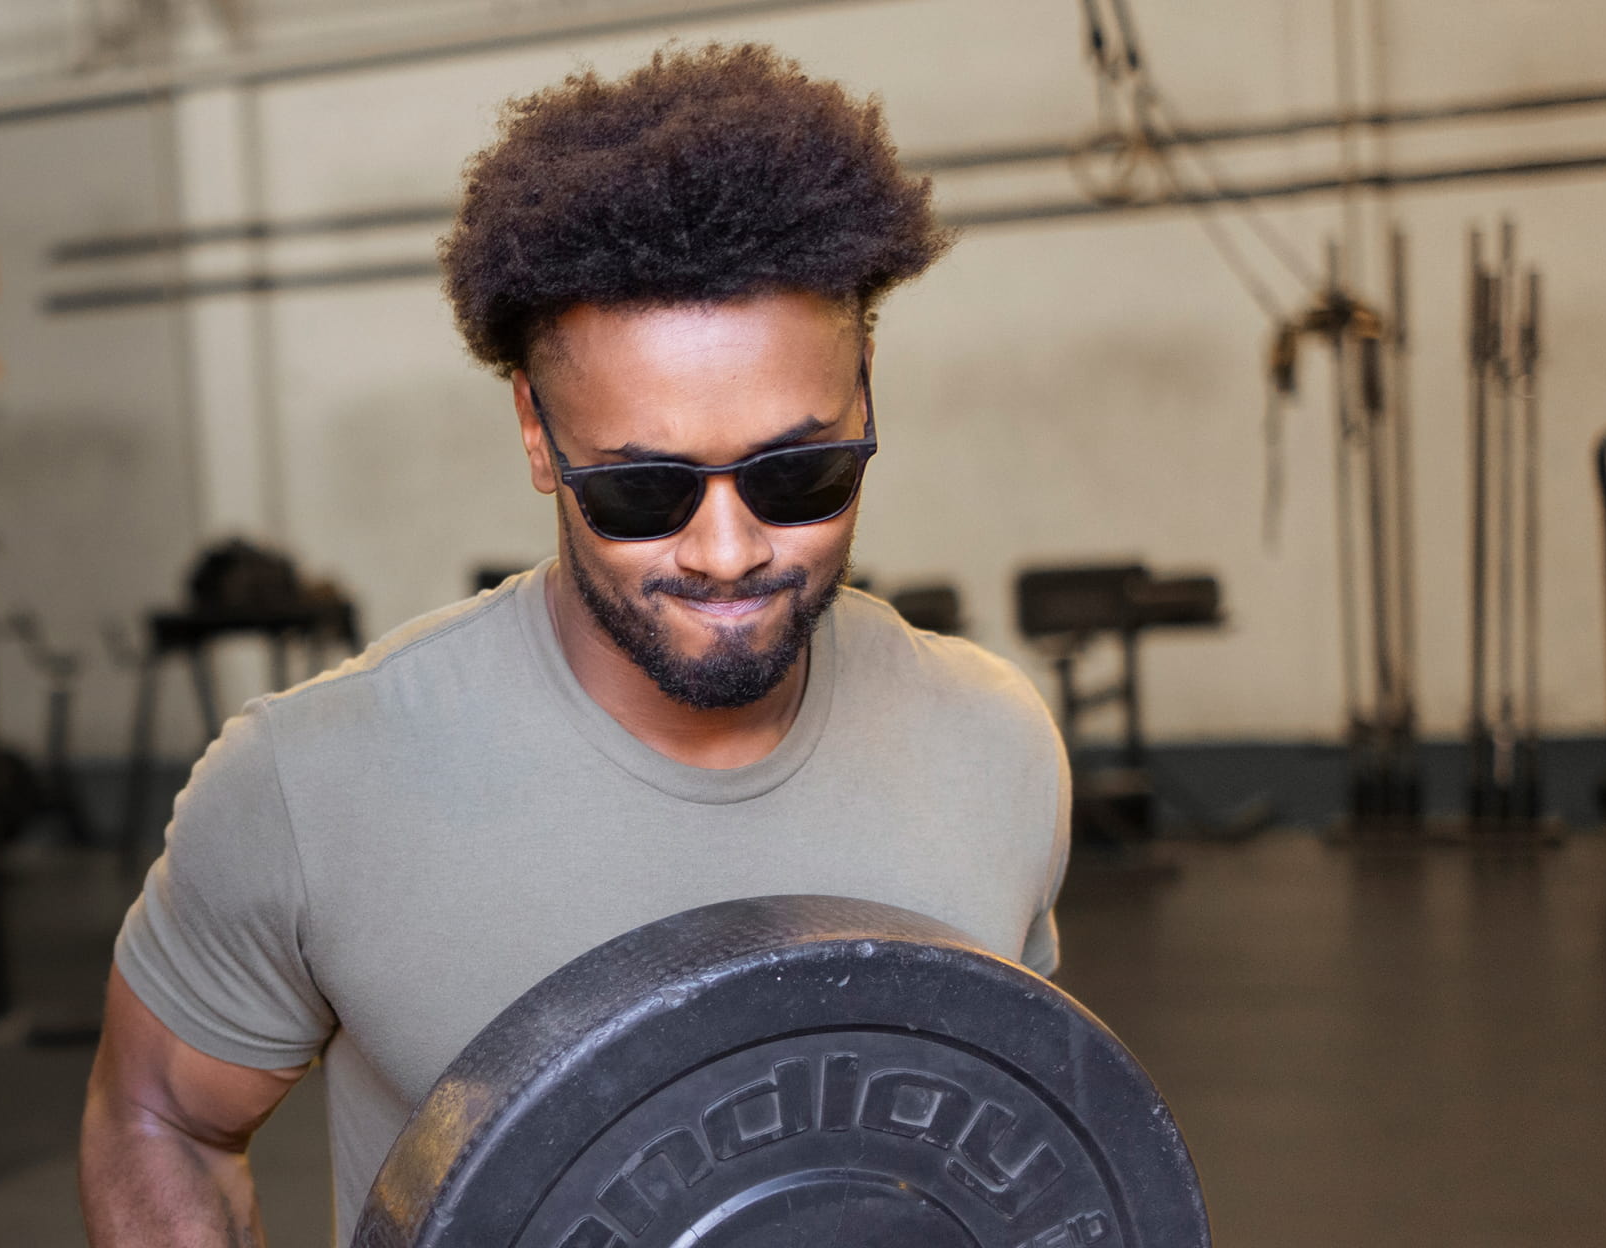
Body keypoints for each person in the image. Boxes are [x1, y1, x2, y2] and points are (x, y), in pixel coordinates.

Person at [79, 44, 1068, 1244]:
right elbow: (162, 1118)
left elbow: (1015, 1147)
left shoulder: (994, 745)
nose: (725, 550)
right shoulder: (310, 784)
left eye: (798, 473)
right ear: (538, 439)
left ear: (867, 394)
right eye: (644, 491)